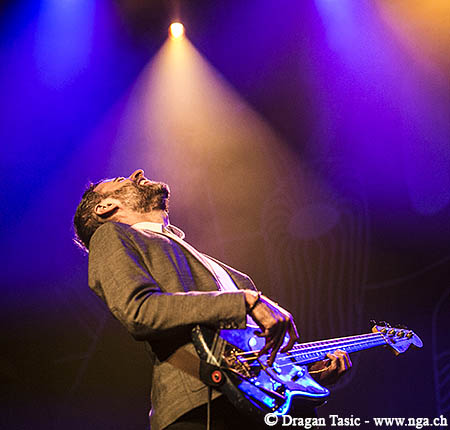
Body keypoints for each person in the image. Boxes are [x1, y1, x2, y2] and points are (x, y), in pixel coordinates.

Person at [73, 169, 352, 430]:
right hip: (203, 408)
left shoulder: (221, 269)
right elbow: (139, 310)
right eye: (121, 181)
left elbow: (250, 352)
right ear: (105, 207)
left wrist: (303, 376)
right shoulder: (110, 236)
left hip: (261, 407)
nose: (137, 173)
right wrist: (244, 302)